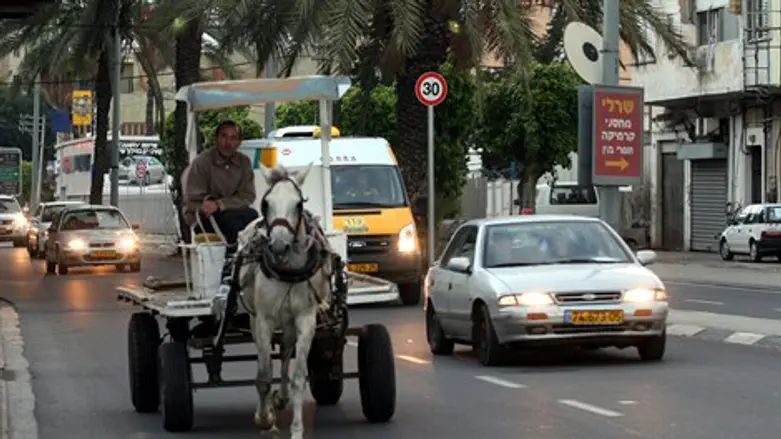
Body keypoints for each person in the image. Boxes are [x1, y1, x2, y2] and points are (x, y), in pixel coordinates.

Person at [184, 120, 259, 275]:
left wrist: (221, 204)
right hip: (203, 215)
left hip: (231, 211)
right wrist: (211, 204)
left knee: (253, 218)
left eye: (233, 138)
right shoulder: (202, 162)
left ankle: (247, 264)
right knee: (231, 222)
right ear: (216, 140)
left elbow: (248, 195)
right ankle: (229, 267)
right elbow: (193, 197)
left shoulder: (244, 163)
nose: (228, 142)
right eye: (224, 137)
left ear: (238, 143)